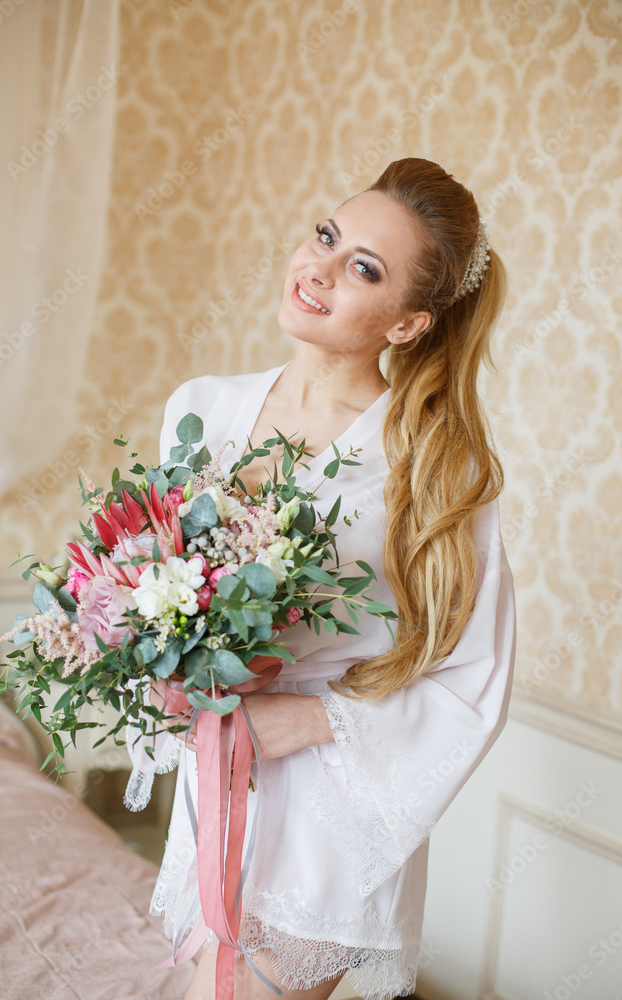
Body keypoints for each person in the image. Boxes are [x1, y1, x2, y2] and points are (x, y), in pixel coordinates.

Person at [124, 156, 517, 1000]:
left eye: (362, 269)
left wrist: (303, 720)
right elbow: (160, 583)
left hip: (333, 808)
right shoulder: (200, 409)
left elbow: (472, 679)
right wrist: (158, 666)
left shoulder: (432, 468)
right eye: (327, 237)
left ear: (408, 324)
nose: (321, 268)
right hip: (216, 780)